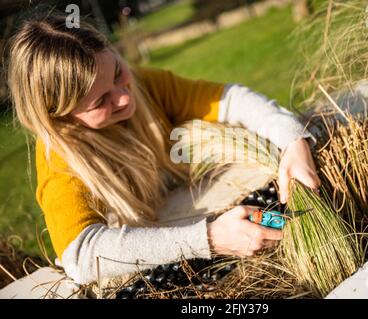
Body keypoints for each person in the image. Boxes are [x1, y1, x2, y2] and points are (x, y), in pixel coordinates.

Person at [6, 15, 320, 284]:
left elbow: (230, 100)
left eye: (117, 73)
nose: (124, 98)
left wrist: (293, 141)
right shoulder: (59, 159)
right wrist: (209, 239)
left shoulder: (145, 84)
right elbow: (83, 255)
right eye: (100, 102)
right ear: (58, 115)